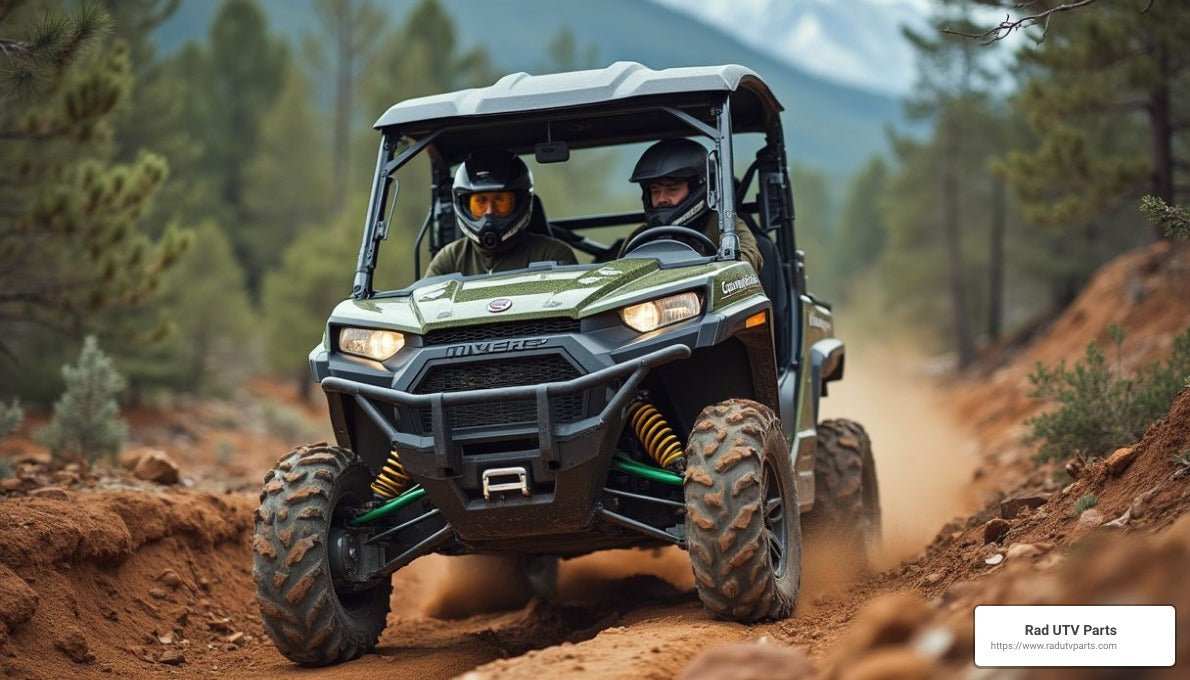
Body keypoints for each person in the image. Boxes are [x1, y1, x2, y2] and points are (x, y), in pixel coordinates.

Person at [424, 150, 576, 277]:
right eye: (480, 201)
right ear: (465, 206)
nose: (490, 211)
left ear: (519, 203)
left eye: (500, 200)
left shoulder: (552, 255)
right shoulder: (449, 260)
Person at [625, 138, 763, 273]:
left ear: (696, 190)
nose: (662, 199)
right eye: (655, 191)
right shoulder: (639, 237)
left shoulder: (725, 226)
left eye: (672, 189)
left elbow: (748, 259)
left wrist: (714, 273)